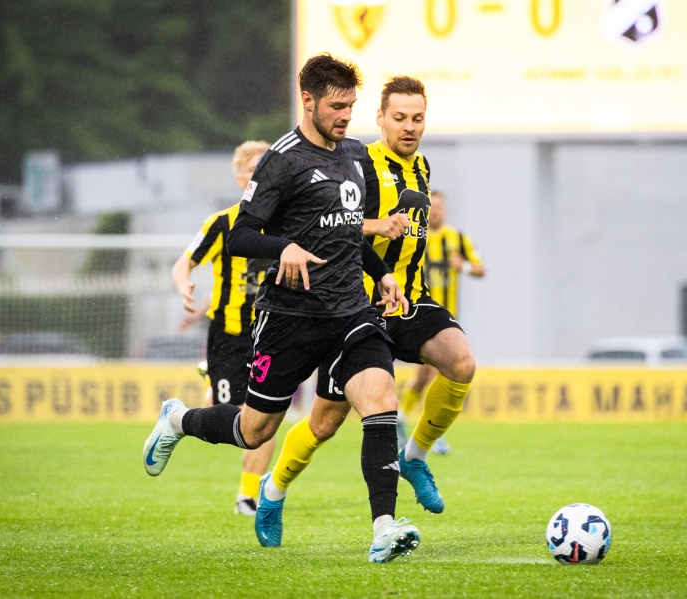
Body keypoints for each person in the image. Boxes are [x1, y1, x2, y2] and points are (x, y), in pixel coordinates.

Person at [143, 54, 420, 563]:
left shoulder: (354, 155)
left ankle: (385, 527)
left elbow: (347, 230)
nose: (345, 116)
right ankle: (178, 420)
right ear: (308, 101)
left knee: (380, 399)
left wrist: (382, 272)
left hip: (350, 311)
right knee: (255, 430)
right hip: (289, 316)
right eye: (336, 106)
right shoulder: (282, 160)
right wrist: (284, 247)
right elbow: (241, 235)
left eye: (350, 106)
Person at [258, 77, 479, 531]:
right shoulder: (358, 161)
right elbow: (327, 223)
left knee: (461, 361)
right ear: (380, 118)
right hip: (354, 307)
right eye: (399, 118)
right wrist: (377, 225)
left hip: (408, 298)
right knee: (324, 423)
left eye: (417, 118)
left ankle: (414, 458)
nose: (409, 127)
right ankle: (274, 488)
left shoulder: (422, 166)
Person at [171, 140, 277, 516]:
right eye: (252, 170)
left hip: (272, 336)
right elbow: (184, 263)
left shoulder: (290, 221)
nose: (259, 176)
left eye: (266, 168)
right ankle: (207, 387)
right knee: (227, 417)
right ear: (239, 179)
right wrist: (183, 284)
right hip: (229, 335)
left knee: (265, 418)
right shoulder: (221, 223)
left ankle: (247, 496)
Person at [399, 190, 485, 452]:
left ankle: (403, 418)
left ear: (445, 211)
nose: (435, 211)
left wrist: (464, 266)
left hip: (446, 316)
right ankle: (430, 431)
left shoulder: (457, 238)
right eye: (431, 207)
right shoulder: (414, 236)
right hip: (417, 314)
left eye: (439, 207)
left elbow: (480, 269)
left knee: (427, 374)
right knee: (434, 371)